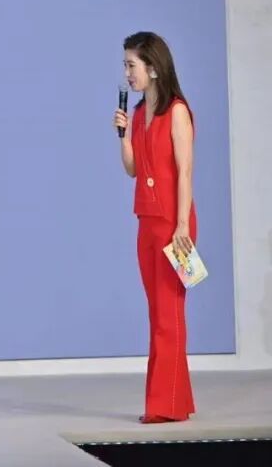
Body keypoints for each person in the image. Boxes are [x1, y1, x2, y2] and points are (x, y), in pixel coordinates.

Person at [113, 31, 197, 423]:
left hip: (173, 224)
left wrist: (182, 225)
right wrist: (123, 136)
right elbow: (133, 169)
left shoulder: (176, 111)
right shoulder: (139, 114)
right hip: (146, 222)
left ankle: (165, 406)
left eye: (132, 65)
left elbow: (185, 172)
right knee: (158, 314)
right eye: (126, 65)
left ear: (154, 67)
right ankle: (177, 401)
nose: (127, 73)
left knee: (169, 314)